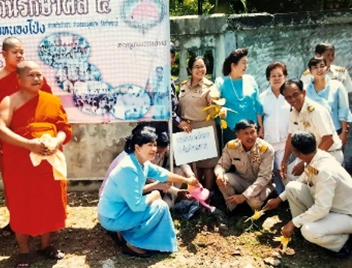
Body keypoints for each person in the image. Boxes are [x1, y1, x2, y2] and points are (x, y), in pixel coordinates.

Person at [0, 61, 72, 267]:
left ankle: (46, 245)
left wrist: (57, 141)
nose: (37, 79)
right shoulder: (9, 101)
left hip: (48, 163)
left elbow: (63, 128)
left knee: (48, 202)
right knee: (22, 204)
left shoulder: (52, 100)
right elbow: (0, 129)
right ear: (19, 79)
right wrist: (29, 144)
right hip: (21, 164)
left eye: (39, 75)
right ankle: (24, 250)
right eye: (31, 75)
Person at [0, 37, 52, 236]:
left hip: (34, 138)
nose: (20, 55)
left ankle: (40, 218)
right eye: (15, 52)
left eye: (21, 51)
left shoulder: (33, 76)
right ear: (4, 54)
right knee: (13, 182)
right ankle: (16, 219)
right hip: (8, 139)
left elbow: (46, 103)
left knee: (37, 181)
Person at [98, 125, 198, 257]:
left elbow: (162, 174)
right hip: (112, 217)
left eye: (155, 145)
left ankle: (136, 238)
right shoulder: (128, 167)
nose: (154, 149)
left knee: (158, 204)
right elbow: (137, 205)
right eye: (150, 145)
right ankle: (131, 244)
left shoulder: (140, 161)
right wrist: (154, 194)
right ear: (138, 147)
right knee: (160, 206)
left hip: (120, 210)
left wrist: (187, 181)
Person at [264, 131, 352, 258]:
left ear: (296, 152)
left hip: (346, 214)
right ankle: (304, 228)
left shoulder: (324, 170)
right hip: (332, 207)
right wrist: (278, 199)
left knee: (309, 231)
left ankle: (342, 243)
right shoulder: (315, 158)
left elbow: (322, 208)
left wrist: (293, 223)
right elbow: (301, 181)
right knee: (292, 187)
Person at [279, 79, 343, 181]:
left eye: (296, 94)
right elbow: (291, 137)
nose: (293, 99)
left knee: (312, 182)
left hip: (328, 154)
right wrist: (284, 161)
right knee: (286, 175)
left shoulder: (316, 111)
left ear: (303, 92)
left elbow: (328, 139)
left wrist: (306, 162)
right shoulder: (293, 113)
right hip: (307, 157)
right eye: (288, 97)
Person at [178, 56, 220, 190]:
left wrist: (217, 107)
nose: (200, 69)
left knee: (207, 164)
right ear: (190, 69)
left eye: (202, 66)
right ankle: (196, 195)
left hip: (204, 127)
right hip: (186, 128)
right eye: (196, 66)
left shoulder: (210, 87)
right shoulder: (183, 85)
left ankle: (207, 196)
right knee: (192, 164)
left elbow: (215, 107)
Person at [214, 119, 274, 213]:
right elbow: (221, 165)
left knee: (253, 201)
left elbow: (264, 177)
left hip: (262, 185)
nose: (250, 136)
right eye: (245, 133)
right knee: (223, 179)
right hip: (242, 181)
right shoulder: (231, 146)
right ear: (237, 135)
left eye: (252, 132)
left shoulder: (266, 149)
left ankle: (254, 215)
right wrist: (219, 174)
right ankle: (233, 210)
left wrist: (243, 196)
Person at [215, 48, 263, 146]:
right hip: (230, 131)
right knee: (234, 160)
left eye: (247, 63)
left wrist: (261, 127)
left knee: (253, 159)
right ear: (233, 65)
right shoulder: (221, 82)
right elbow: (215, 104)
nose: (246, 66)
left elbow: (257, 105)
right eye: (243, 63)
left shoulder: (251, 80)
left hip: (251, 131)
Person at [304, 57, 351, 145]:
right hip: (313, 133)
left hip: (335, 131)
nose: (319, 70)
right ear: (310, 71)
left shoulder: (337, 86)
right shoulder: (305, 90)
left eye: (322, 66)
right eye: (315, 67)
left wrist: (344, 132)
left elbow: (344, 109)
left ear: (327, 68)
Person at [259, 62, 290, 194]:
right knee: (272, 171)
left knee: (284, 169)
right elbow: (259, 116)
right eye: (273, 76)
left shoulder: (290, 96)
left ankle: (290, 195)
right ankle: (279, 196)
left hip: (285, 141)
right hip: (269, 141)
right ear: (268, 78)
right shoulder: (262, 97)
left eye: (280, 75)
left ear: (285, 77)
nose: (277, 78)